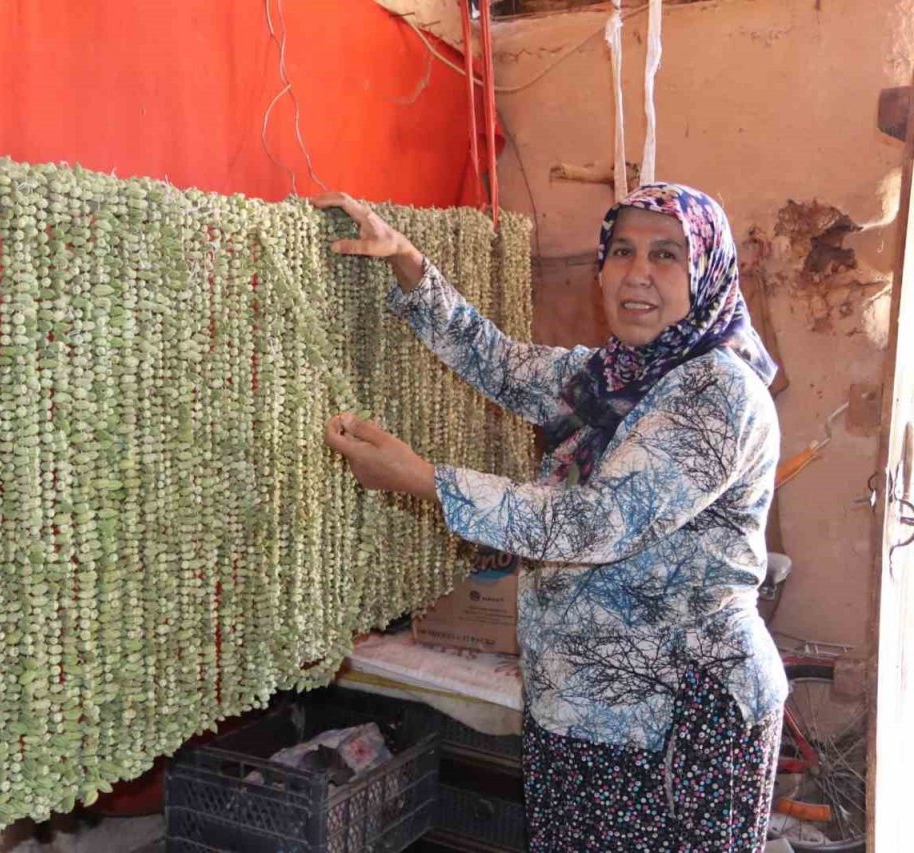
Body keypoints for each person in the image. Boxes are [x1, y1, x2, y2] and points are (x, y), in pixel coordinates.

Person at [315, 184, 788, 851]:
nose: (637, 274)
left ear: (706, 270)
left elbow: (600, 520)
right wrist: (408, 263)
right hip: (585, 702)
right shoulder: (619, 374)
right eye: (622, 250)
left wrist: (427, 481)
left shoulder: (718, 392)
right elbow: (504, 365)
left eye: (666, 255)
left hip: (674, 713)